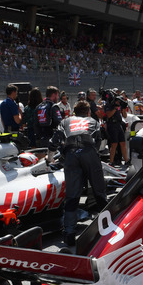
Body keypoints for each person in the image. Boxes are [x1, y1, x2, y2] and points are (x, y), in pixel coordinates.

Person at [48, 100, 105, 248]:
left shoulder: (66, 121)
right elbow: (99, 140)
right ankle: (108, 227)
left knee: (72, 197)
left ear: (74, 112)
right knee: (99, 193)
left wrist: (50, 158)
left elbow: (54, 141)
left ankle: (69, 233)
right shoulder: (93, 121)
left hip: (71, 155)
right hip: (90, 153)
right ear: (88, 112)